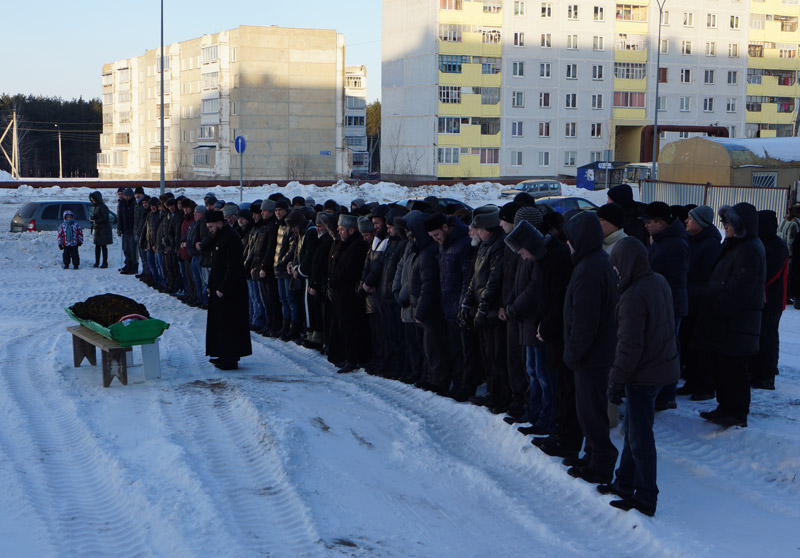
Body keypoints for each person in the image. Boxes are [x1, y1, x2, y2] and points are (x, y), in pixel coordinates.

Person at [600, 237, 680, 518]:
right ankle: (623, 483)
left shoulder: (634, 295)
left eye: (617, 266)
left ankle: (646, 497)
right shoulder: (657, 280)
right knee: (635, 429)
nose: (616, 271)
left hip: (644, 374)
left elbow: (629, 346)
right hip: (661, 368)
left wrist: (616, 381)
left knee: (640, 437)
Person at [562, 211, 619, 484]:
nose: (568, 244)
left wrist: (573, 353)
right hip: (594, 353)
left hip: (591, 355)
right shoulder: (593, 263)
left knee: (591, 412)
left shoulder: (590, 269)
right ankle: (592, 456)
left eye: (570, 239)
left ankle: (601, 463)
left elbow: (585, 321)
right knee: (589, 410)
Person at [696, 203, 766, 428]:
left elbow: (738, 290)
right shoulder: (736, 246)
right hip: (726, 323)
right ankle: (725, 407)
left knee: (734, 370)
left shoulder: (749, 249)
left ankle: (736, 413)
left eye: (728, 222)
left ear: (740, 225)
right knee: (723, 368)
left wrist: (717, 309)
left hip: (736, 323)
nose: (724, 226)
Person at [641, 201, 689, 411]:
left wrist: (665, 306)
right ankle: (664, 392)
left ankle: (666, 394)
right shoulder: (661, 241)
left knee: (668, 349)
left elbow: (677, 281)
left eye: (649, 222)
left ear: (661, 222)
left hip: (669, 306)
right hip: (659, 303)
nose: (645, 226)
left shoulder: (676, 244)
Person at [461, 205, 508, 412]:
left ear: (486, 229)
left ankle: (500, 396)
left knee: (497, 357)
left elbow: (493, 281)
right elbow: (476, 278)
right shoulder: (483, 246)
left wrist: (482, 308)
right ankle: (491, 392)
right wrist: (467, 302)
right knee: (488, 355)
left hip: (492, 311)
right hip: (483, 309)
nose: (474, 232)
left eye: (477, 228)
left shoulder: (498, 246)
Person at [425, 211, 475, 399]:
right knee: (454, 349)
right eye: (432, 237)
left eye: (437, 235)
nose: (436, 239)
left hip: (460, 307)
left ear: (445, 227)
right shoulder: (443, 245)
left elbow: (465, 279)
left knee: (465, 351)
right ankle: (457, 382)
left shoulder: (463, 244)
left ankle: (466, 385)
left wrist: (463, 305)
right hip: (448, 306)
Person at [678, 205, 722, 400]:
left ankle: (705, 385)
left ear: (701, 223)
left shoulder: (711, 244)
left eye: (690, 218)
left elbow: (709, 277)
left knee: (701, 345)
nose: (686, 221)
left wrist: (697, 294)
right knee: (688, 343)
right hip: (690, 300)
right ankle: (692, 381)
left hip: (701, 303)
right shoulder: (692, 240)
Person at [205, 210, 252, 370]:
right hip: (219, 288)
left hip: (231, 291)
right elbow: (215, 264)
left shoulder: (231, 238)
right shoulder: (219, 237)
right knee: (220, 323)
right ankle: (221, 353)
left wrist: (223, 288)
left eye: (211, 227)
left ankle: (230, 358)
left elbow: (234, 267)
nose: (209, 230)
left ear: (219, 223)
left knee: (230, 324)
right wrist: (211, 284)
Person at [751, 210, 789, 390]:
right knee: (759, 336)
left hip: (773, 299)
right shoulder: (762, 242)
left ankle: (767, 375)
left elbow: (771, 273)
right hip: (761, 297)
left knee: (768, 338)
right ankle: (758, 371)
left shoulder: (778, 246)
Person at [329, 214, 370, 373]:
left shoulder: (357, 246)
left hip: (349, 295)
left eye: (341, 229)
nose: (339, 232)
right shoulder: (345, 244)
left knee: (351, 328)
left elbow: (350, 270)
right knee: (344, 327)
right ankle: (347, 356)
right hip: (341, 293)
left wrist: (334, 280)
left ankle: (353, 359)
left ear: (351, 230)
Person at [88, 191, 112, 268]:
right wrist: (93, 218)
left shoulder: (102, 207)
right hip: (98, 229)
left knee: (103, 246)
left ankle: (105, 263)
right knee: (97, 246)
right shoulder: (97, 207)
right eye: (92, 200)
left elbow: (105, 218)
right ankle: (97, 262)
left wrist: (96, 221)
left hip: (103, 229)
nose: (93, 201)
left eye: (94, 200)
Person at [118, 188, 137, 274]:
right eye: (126, 196)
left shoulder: (134, 204)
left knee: (132, 249)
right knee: (126, 249)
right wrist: (119, 228)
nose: (127, 198)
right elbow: (120, 217)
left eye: (128, 196)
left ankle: (134, 266)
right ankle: (127, 264)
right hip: (125, 229)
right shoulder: (122, 204)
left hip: (132, 230)